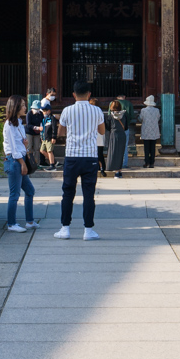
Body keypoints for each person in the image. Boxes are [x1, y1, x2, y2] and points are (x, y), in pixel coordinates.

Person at [54, 80, 104, 240]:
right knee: (89, 194)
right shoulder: (96, 110)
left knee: (68, 192)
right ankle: (88, 230)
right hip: (90, 156)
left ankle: (65, 228)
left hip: (72, 156)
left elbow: (61, 132)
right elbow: (102, 131)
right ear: (89, 94)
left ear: (74, 94)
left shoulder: (67, 110)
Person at [1, 96, 36, 232]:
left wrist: (25, 145)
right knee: (14, 194)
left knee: (30, 191)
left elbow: (20, 144)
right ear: (15, 106)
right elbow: (13, 148)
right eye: (22, 105)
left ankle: (30, 221)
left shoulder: (19, 123)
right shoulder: (9, 124)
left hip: (19, 159)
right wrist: (23, 163)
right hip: (14, 161)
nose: (24, 107)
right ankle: (11, 224)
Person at [106, 98, 128, 178]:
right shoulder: (124, 115)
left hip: (113, 134)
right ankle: (119, 171)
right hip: (122, 134)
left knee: (113, 152)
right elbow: (126, 126)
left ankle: (115, 169)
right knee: (121, 152)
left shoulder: (110, 116)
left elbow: (108, 127)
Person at [139, 95, 161, 167]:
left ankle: (146, 162)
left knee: (146, 147)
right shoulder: (157, 110)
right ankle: (152, 162)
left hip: (146, 130)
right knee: (153, 147)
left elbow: (140, 118)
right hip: (154, 130)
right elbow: (158, 118)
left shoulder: (143, 110)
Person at [39, 103, 59, 169]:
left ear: (49, 111)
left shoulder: (52, 118)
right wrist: (41, 136)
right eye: (43, 111)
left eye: (45, 110)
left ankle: (52, 164)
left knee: (49, 151)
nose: (44, 112)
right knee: (42, 150)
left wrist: (54, 137)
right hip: (44, 137)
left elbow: (54, 128)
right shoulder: (43, 119)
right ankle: (53, 161)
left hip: (49, 137)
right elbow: (42, 128)